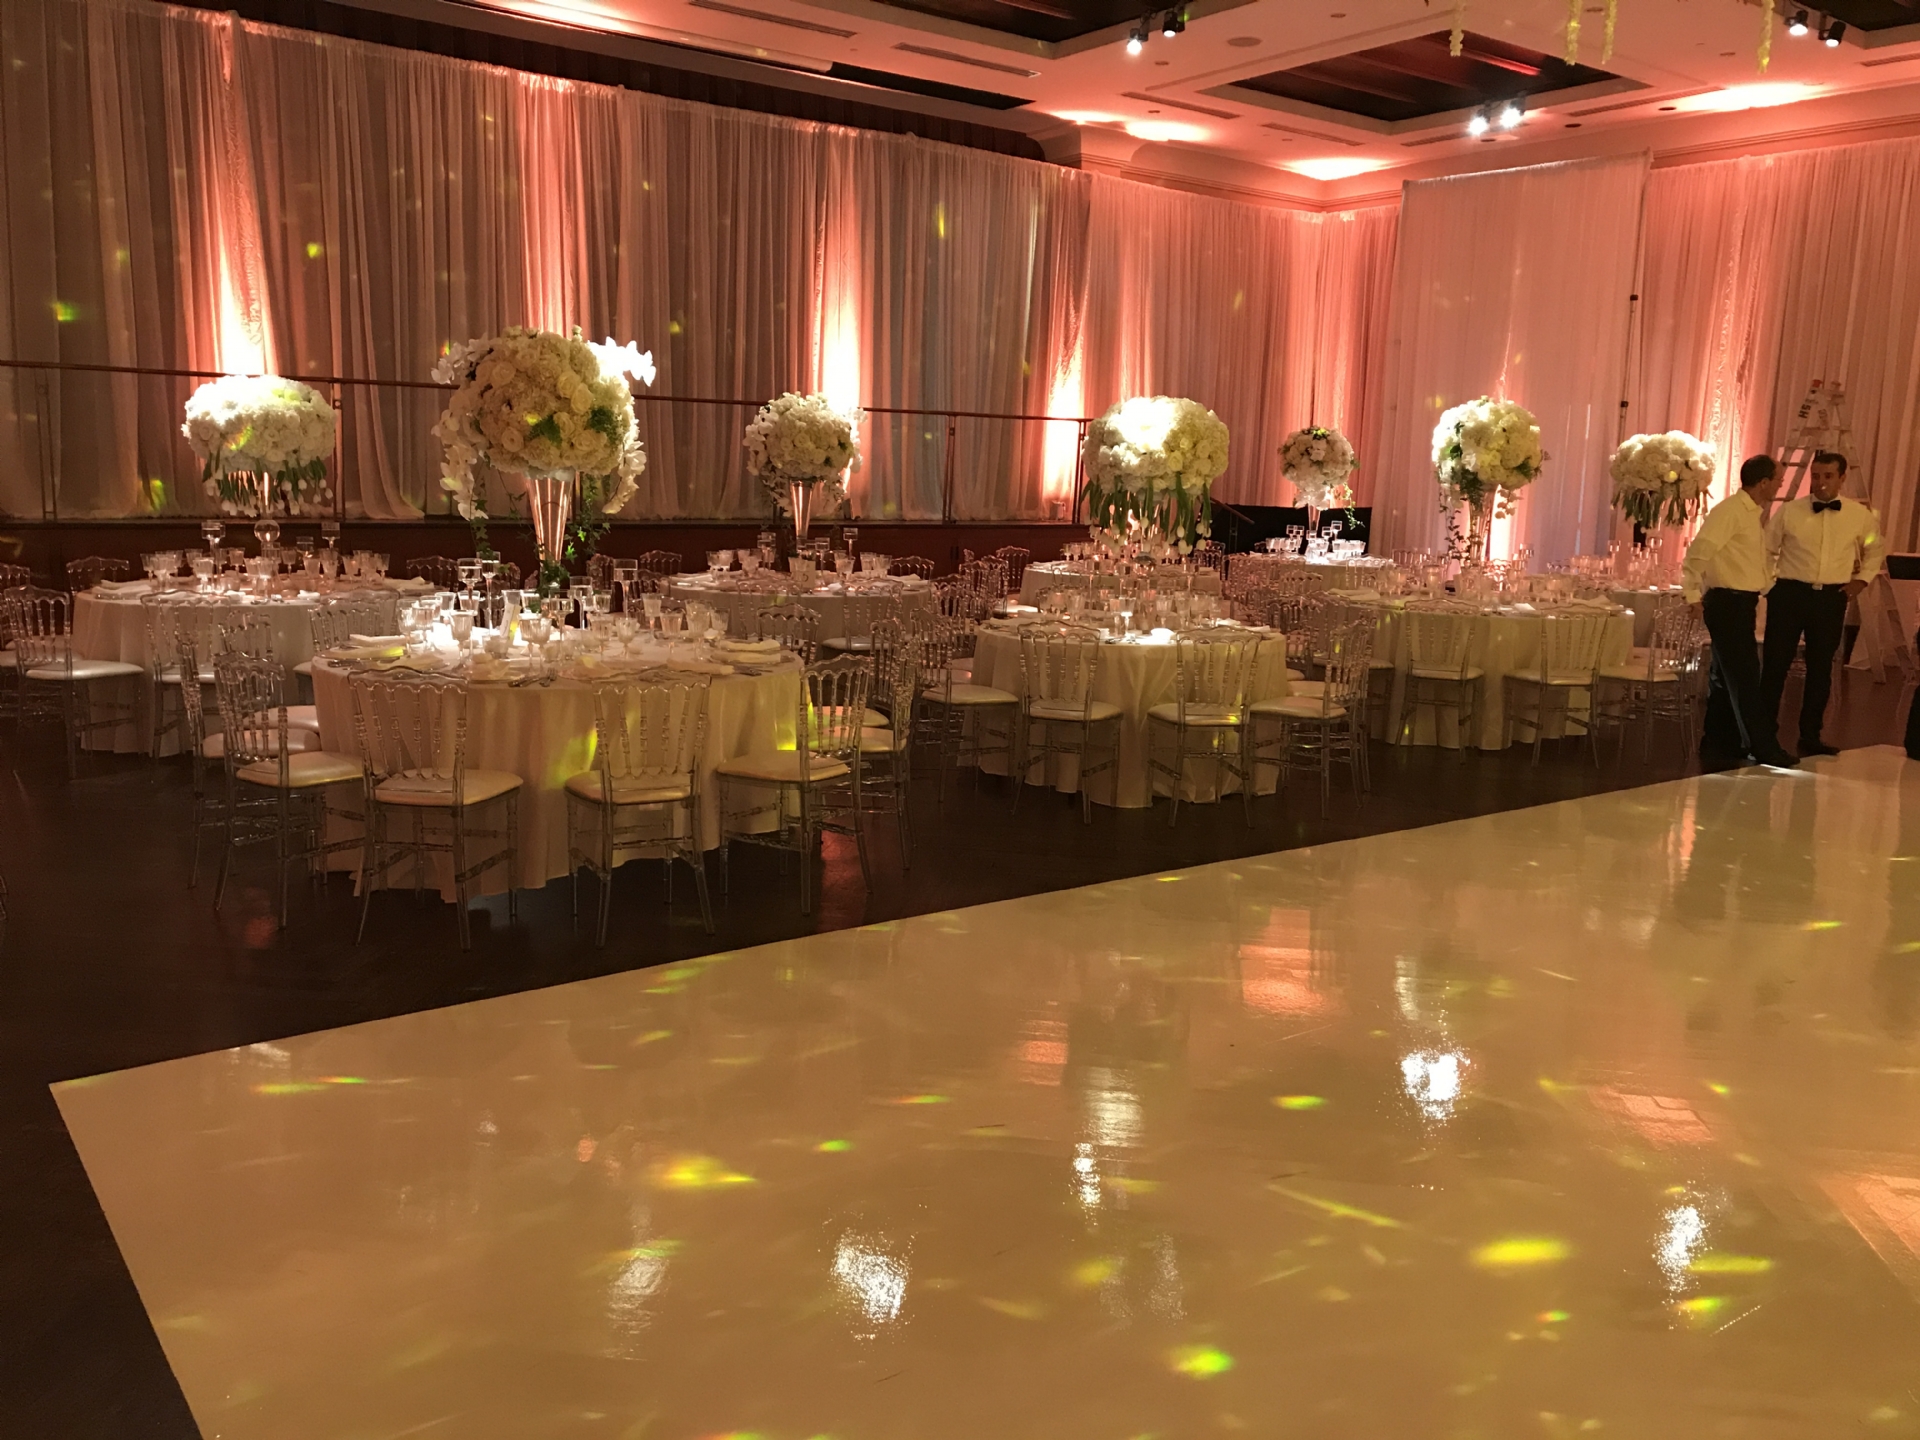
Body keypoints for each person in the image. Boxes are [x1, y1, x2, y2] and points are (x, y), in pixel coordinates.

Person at [1761, 451, 1885, 757]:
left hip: (1831, 598)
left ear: (1842, 478)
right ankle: (1762, 735)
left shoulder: (1859, 516)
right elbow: (1765, 549)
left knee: (1820, 669)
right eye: (1815, 476)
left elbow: (1874, 548)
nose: (1820, 482)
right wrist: (1770, 586)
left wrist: (1861, 581)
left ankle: (1811, 735)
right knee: (1775, 665)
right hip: (1788, 594)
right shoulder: (1790, 511)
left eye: (1828, 476)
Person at [1682, 454, 1796, 770]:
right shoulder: (1730, 512)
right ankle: (1764, 747)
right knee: (1746, 677)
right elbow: (1697, 554)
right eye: (1778, 480)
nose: (1780, 485)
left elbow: (1748, 561)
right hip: (1727, 603)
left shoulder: (1748, 513)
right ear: (1763, 482)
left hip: (1740, 602)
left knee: (1724, 677)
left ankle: (1720, 740)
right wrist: (1692, 594)